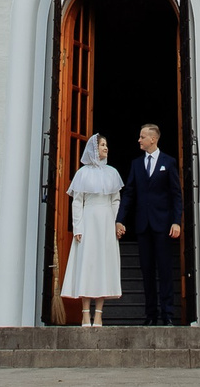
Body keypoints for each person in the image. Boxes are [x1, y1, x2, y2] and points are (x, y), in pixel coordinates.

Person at [116, 122, 183, 325]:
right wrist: (120, 218)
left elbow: (176, 195)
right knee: (146, 270)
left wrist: (176, 221)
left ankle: (168, 315)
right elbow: (129, 193)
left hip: (163, 225)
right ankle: (150, 315)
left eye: (142, 136)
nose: (139, 140)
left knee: (164, 270)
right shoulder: (136, 164)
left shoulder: (168, 162)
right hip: (143, 225)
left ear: (153, 139)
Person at [58, 133, 123, 324]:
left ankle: (99, 314)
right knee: (88, 264)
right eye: (102, 145)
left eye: (107, 145)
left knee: (103, 264)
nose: (106, 148)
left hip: (106, 221)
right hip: (88, 219)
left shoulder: (112, 172)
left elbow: (115, 200)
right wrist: (77, 226)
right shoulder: (82, 173)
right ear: (94, 149)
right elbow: (77, 202)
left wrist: (115, 223)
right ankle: (85, 312)